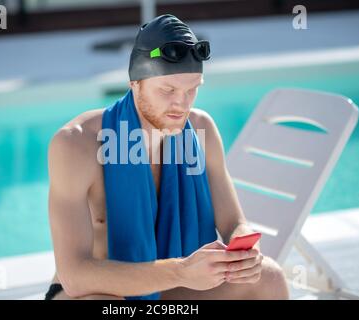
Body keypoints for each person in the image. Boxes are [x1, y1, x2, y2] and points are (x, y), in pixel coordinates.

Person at [46, 14, 289, 300]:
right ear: (135, 83)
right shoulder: (76, 144)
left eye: (192, 90)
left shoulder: (201, 130)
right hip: (99, 292)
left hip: (173, 286)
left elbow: (233, 222)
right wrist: (182, 271)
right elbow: (76, 277)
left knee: (269, 277)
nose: (181, 104)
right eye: (168, 90)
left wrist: (243, 249)